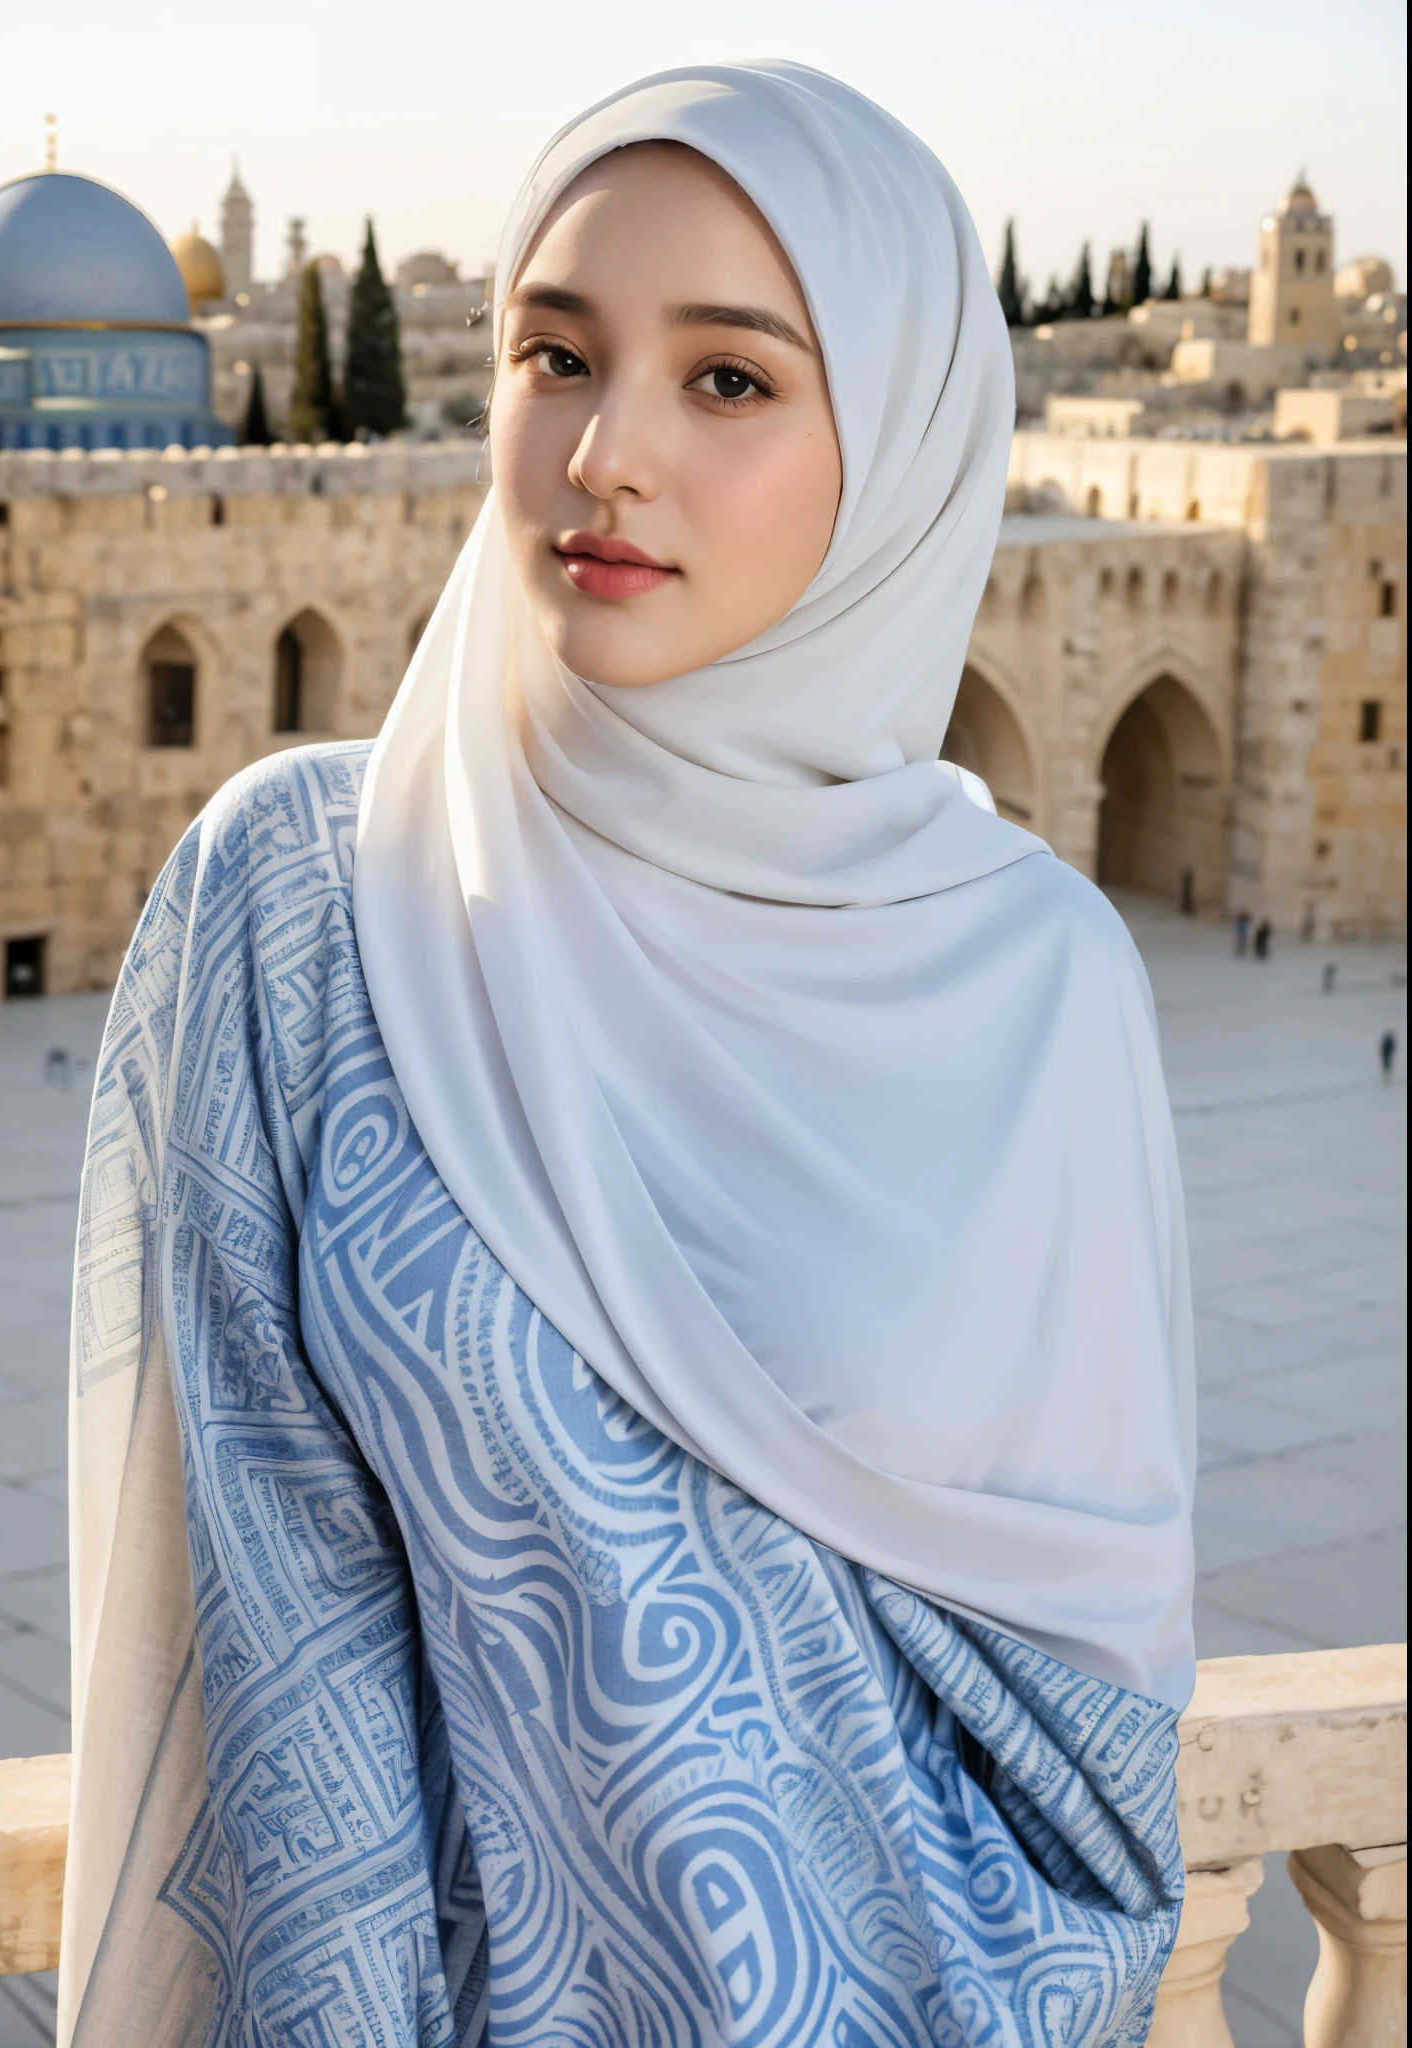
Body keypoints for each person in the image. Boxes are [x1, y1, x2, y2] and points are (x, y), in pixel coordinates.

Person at [58, 66, 1192, 2048]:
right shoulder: (312, 907)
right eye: (553, 356)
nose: (604, 453)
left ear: (905, 447)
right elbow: (267, 1683)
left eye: (729, 381)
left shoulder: (1040, 988)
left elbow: (1083, 1735)